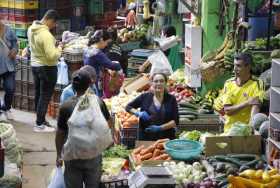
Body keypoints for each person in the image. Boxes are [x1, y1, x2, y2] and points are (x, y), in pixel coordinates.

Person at [56, 69, 111, 188]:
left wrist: (59, 155)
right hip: (93, 155)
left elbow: (60, 133)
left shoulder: (66, 106)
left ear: (72, 86)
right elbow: (108, 124)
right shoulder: (98, 103)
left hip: (72, 156)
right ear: (89, 85)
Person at [27, 10, 62, 132]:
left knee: (39, 94)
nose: (54, 26)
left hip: (35, 65)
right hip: (47, 67)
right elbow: (52, 56)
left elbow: (35, 47)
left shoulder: (31, 28)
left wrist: (53, 44)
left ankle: (40, 119)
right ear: (50, 20)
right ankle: (40, 124)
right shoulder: (45, 34)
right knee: (45, 96)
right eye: (54, 23)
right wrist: (59, 49)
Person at [126, 72, 179, 141]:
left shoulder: (171, 99)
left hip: (166, 138)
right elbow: (128, 107)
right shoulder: (144, 97)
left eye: (161, 81)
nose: (159, 83)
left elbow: (175, 121)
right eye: (156, 81)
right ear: (152, 83)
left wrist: (160, 128)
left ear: (166, 83)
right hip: (146, 137)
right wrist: (138, 113)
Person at [222, 53, 265, 132]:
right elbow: (228, 110)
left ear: (248, 67)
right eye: (234, 65)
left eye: (238, 66)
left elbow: (256, 106)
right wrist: (247, 103)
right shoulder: (228, 83)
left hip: (247, 131)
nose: (235, 69)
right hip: (229, 130)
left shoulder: (257, 83)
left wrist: (250, 128)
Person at [84, 30, 122, 97]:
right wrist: (118, 65)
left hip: (87, 78)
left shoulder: (87, 48)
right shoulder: (96, 53)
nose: (107, 45)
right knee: (97, 98)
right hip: (94, 80)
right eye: (106, 42)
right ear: (101, 40)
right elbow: (110, 65)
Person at [0, 19, 18, 120]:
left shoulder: (8, 30)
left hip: (8, 66)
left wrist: (14, 50)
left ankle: (6, 108)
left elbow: (15, 44)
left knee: (10, 88)